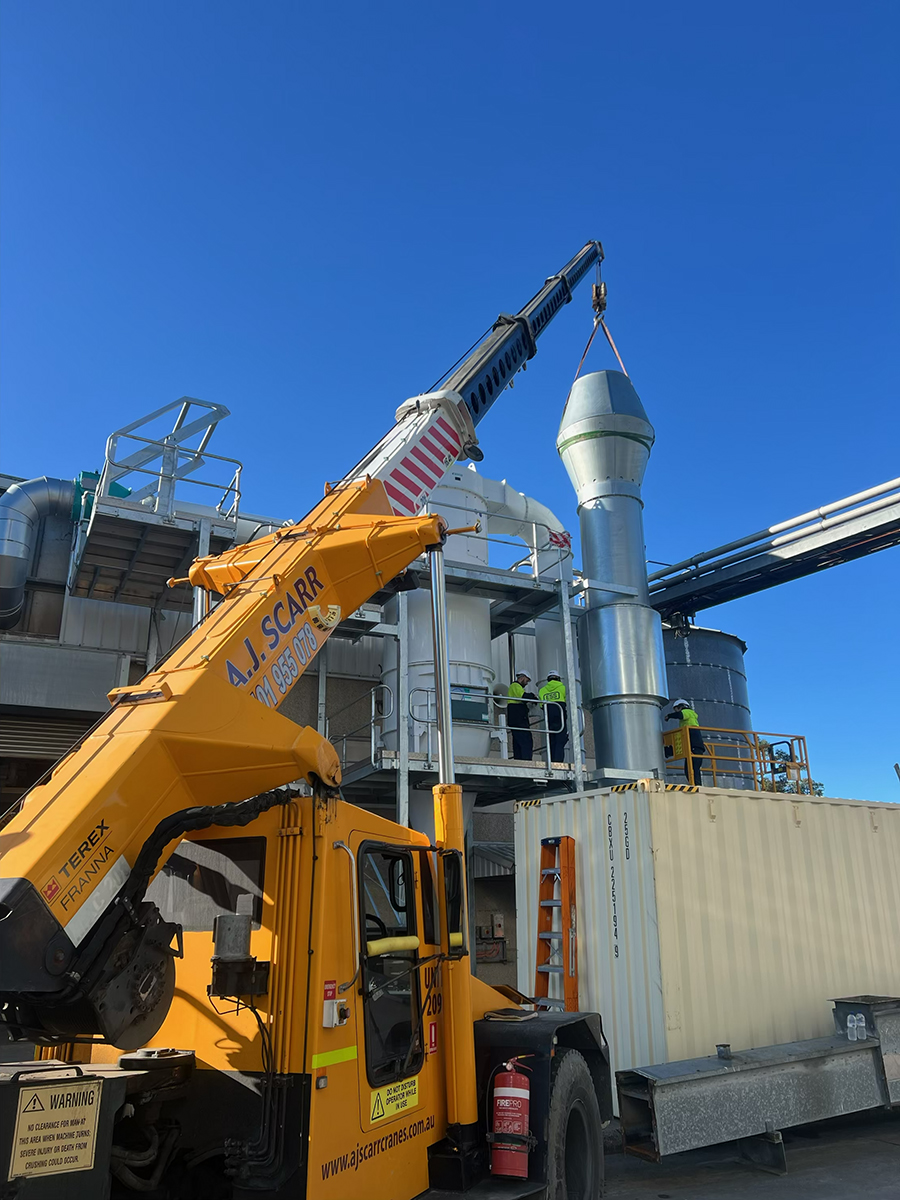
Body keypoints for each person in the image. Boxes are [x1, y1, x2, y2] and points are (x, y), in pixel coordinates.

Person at [664, 699, 707, 785]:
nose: (676, 711)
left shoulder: (688, 712)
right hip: (693, 746)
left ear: (681, 707)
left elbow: (680, 715)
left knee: (692, 769)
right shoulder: (687, 726)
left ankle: (697, 786)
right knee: (691, 769)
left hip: (694, 746)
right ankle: (696, 785)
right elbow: (682, 742)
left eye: (676, 709)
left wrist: (669, 716)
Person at [539, 671, 568, 764]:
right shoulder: (563, 688)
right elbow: (568, 701)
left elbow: (541, 706)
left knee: (551, 741)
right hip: (560, 717)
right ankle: (558, 762)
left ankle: (551, 762)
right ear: (558, 678)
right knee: (560, 740)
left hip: (549, 718)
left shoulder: (542, 690)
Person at [506, 672, 537, 761]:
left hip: (515, 719)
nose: (526, 683)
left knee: (518, 743)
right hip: (519, 720)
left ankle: (519, 760)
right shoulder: (515, 686)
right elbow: (523, 696)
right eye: (527, 680)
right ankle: (526, 762)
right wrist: (532, 696)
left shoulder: (515, 687)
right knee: (526, 741)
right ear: (522, 677)